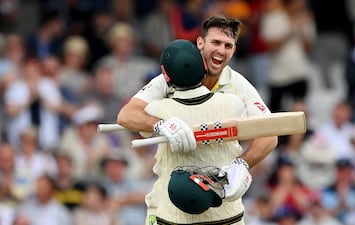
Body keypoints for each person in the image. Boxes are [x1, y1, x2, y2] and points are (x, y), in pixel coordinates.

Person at [117, 15, 277, 171]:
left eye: (228, 45)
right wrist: (161, 125)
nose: (221, 50)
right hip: (174, 175)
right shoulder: (173, 74)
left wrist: (240, 166)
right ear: (200, 43)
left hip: (217, 178)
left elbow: (270, 133)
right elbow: (126, 115)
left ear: (234, 50)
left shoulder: (238, 84)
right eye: (216, 42)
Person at [140, 38, 254, 224]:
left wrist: (159, 124)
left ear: (165, 76)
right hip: (226, 213)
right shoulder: (232, 103)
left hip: (173, 215)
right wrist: (243, 162)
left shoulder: (156, 109)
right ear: (203, 66)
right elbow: (265, 133)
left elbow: (128, 116)